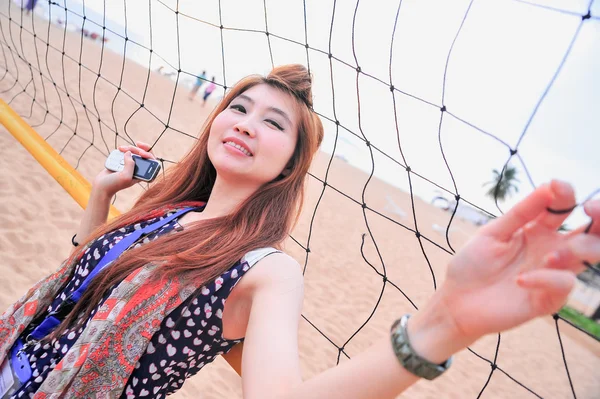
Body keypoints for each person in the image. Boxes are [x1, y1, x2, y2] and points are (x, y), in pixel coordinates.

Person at [0, 64, 598, 399]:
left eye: (273, 122)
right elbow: (78, 277)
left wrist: (444, 325)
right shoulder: (167, 209)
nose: (245, 123)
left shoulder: (264, 269)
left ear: (290, 162)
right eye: (238, 107)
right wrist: (103, 197)